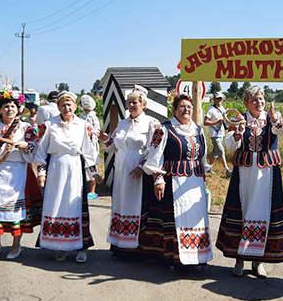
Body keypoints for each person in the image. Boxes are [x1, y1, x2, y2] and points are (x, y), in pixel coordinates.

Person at [216, 85, 283, 278]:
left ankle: (259, 261)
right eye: (254, 100)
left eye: (261, 99)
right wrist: (238, 131)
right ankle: (239, 258)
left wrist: (278, 120)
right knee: (243, 211)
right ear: (246, 103)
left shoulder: (271, 118)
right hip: (244, 174)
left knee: (263, 213)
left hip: (267, 174)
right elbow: (230, 145)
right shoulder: (239, 119)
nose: (259, 103)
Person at [139, 94, 213, 268]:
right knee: (175, 218)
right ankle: (175, 257)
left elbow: (202, 157)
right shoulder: (164, 129)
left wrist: (204, 175)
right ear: (174, 109)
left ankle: (196, 256)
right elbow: (154, 157)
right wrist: (158, 179)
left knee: (196, 218)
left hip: (194, 183)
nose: (186, 110)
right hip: (173, 182)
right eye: (182, 107)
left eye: (189, 107)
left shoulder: (198, 130)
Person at [0, 89, 41, 262]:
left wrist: (26, 145)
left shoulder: (26, 127)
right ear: (0, 109)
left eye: (13, 106)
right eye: (6, 106)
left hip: (19, 172)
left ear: (18, 109)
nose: (10, 109)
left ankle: (16, 245)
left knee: (17, 212)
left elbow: (36, 146)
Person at [34, 91, 100, 262]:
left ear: (75, 106)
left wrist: (94, 172)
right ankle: (60, 246)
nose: (66, 107)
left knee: (77, 206)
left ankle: (81, 247)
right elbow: (40, 151)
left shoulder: (83, 125)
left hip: (75, 169)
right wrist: (41, 173)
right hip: (55, 168)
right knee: (56, 205)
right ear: (58, 107)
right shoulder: (49, 125)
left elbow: (88, 151)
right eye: (63, 105)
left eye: (69, 104)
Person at [99, 85, 158, 257]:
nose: (132, 105)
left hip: (139, 171)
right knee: (121, 204)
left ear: (144, 105)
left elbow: (155, 149)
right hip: (121, 171)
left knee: (137, 206)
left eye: (135, 103)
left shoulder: (151, 123)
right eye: (129, 103)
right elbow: (112, 148)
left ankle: (138, 248)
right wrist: (105, 140)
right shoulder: (123, 123)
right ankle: (120, 245)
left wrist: (142, 166)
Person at [204, 92, 232, 177]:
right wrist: (217, 122)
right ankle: (227, 169)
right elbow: (205, 122)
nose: (219, 100)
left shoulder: (223, 108)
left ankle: (208, 168)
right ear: (214, 99)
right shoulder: (210, 109)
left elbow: (225, 121)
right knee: (221, 150)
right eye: (217, 98)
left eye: (220, 98)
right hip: (214, 134)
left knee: (215, 152)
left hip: (221, 133)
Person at [80, 94, 102, 200]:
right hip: (83, 144)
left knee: (92, 165)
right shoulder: (82, 115)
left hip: (91, 144)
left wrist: (90, 134)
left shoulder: (93, 116)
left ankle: (92, 191)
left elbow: (96, 130)